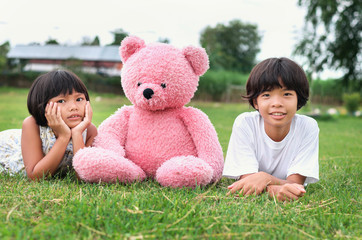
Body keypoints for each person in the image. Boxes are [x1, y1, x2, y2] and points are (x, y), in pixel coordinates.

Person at [223, 57, 319, 201]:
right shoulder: (245, 123)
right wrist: (273, 189)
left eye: (287, 94)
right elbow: (248, 181)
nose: (277, 103)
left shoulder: (308, 127)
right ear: (256, 102)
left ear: (298, 99)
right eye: (266, 95)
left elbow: (296, 184)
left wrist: (264, 178)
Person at [0, 70, 97, 180]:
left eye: (79, 99)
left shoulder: (89, 130)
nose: (73, 107)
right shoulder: (32, 125)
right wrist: (63, 136)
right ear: (43, 105)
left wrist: (77, 134)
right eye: (61, 101)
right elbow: (35, 176)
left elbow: (83, 176)